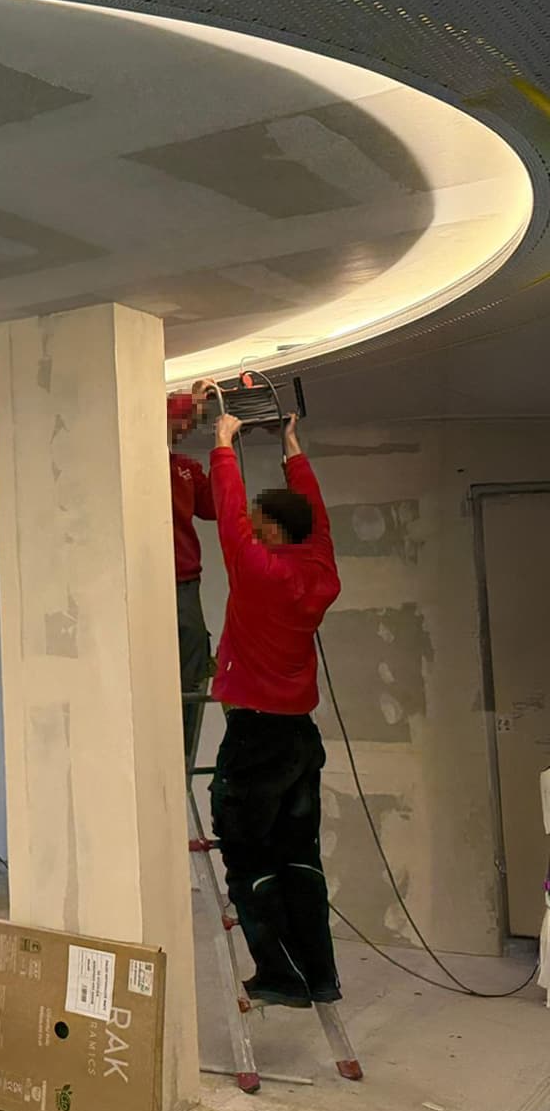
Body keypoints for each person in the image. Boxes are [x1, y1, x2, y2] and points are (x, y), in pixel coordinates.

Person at [207, 410, 342, 1007]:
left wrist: (222, 444)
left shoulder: (258, 570)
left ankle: (281, 977)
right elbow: (319, 516)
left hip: (255, 739)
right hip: (299, 740)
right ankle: (320, 976)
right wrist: (292, 449)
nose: (254, 533)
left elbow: (229, 516)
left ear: (278, 534)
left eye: (263, 528)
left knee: (247, 858)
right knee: (300, 859)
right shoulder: (320, 568)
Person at [169, 386, 216, 763]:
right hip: (147, 583)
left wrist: (224, 447)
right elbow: (152, 422)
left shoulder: (185, 468)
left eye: (193, 422)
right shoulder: (135, 459)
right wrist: (191, 399)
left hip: (184, 582)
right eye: (185, 419)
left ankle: (179, 759)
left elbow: (214, 507)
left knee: (192, 667)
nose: (187, 427)